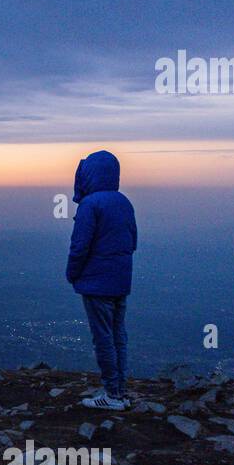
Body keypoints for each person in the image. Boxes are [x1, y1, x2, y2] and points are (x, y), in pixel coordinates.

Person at [66, 150, 137, 410]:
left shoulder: (90, 205)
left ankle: (112, 395)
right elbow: (133, 241)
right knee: (118, 335)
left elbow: (79, 246)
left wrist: (72, 273)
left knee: (103, 337)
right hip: (120, 281)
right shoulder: (124, 202)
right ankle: (119, 389)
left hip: (97, 284)